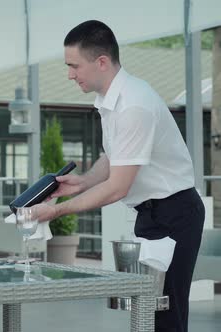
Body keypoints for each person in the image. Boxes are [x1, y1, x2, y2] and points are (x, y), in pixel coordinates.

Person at [32, 20, 204, 332]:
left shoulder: (133, 105)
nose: (70, 74)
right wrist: (84, 181)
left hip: (175, 213)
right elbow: (114, 158)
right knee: (146, 311)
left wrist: (56, 210)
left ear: (101, 62)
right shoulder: (111, 101)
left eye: (74, 66)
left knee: (165, 312)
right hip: (151, 213)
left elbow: (117, 188)